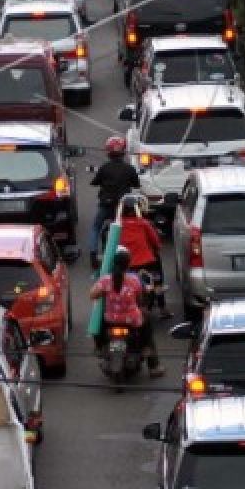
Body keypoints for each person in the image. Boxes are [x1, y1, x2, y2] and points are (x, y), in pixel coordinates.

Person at [88, 246, 164, 377]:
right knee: (146, 319)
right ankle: (153, 364)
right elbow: (140, 299)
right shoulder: (134, 280)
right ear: (128, 264)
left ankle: (99, 347)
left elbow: (92, 295)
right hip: (132, 321)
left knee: (96, 317)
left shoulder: (105, 280)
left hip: (110, 320)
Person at [89, 136, 141, 271]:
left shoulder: (104, 168)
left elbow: (95, 181)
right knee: (133, 226)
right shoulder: (129, 169)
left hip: (106, 205)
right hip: (123, 207)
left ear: (108, 152)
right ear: (124, 151)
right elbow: (136, 183)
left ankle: (93, 255)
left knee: (96, 227)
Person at [114, 195, 170, 319]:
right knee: (157, 279)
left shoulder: (116, 226)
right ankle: (162, 307)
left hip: (124, 263)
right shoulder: (143, 223)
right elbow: (155, 241)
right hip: (146, 262)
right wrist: (156, 248)